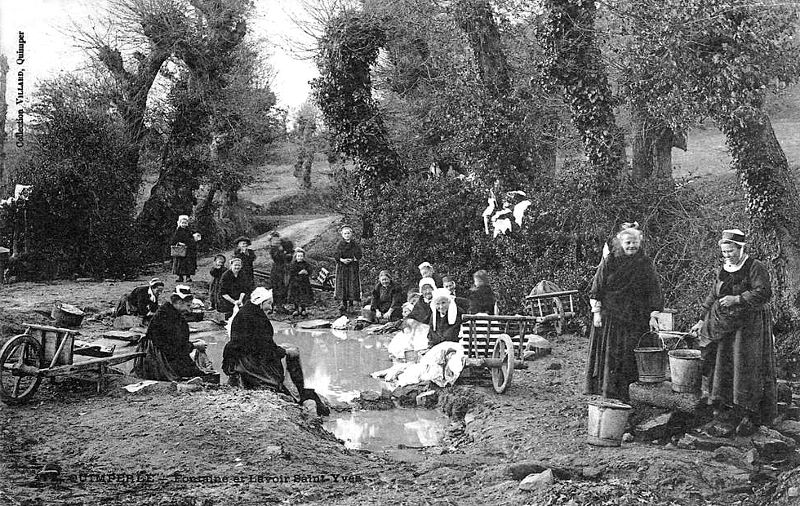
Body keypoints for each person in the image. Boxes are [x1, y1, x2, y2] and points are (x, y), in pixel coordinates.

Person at [689, 229, 777, 435]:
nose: (727, 255)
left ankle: (747, 407)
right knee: (723, 362)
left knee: (744, 363)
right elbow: (714, 293)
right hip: (724, 324)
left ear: (740, 248)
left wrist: (737, 299)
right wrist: (702, 319)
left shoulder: (755, 267)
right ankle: (725, 404)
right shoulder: (725, 267)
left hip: (749, 326)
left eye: (730, 251)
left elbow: (763, 292)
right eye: (724, 252)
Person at [584, 227, 663, 402]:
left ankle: (630, 393)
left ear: (640, 242)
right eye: (628, 243)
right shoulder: (610, 260)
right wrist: (597, 313)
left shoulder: (645, 263)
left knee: (630, 354)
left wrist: (653, 314)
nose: (631, 246)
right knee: (612, 355)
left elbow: (654, 290)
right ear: (621, 243)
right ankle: (609, 392)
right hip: (612, 316)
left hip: (636, 317)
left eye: (635, 242)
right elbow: (597, 287)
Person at [222, 287, 329, 415]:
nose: (271, 308)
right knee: (293, 353)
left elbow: (261, 344)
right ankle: (298, 390)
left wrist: (280, 349)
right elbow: (263, 348)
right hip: (247, 361)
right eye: (269, 303)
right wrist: (283, 352)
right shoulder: (255, 318)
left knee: (290, 349)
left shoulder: (249, 311)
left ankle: (298, 389)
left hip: (245, 354)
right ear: (260, 303)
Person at [133, 286, 213, 381]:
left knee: (198, 363)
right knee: (190, 372)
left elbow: (177, 343)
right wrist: (194, 346)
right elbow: (173, 349)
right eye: (188, 305)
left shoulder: (174, 313)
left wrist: (193, 344)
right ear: (179, 302)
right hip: (158, 356)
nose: (189, 309)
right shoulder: (165, 316)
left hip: (168, 351)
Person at [334, 225, 363, 315]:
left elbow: (359, 255)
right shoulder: (340, 244)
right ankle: (343, 304)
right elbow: (336, 255)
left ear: (351, 234)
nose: (347, 235)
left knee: (352, 284)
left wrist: (354, 259)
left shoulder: (355, 244)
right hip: (342, 267)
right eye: (345, 233)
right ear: (342, 235)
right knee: (343, 284)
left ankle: (351, 305)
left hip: (352, 267)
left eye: (348, 233)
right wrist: (342, 260)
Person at [268, 231, 294, 313]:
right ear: (271, 241)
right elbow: (278, 258)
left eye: (278, 239)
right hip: (277, 270)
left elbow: (289, 256)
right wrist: (284, 253)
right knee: (277, 287)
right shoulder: (273, 249)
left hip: (284, 269)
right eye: (274, 240)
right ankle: (277, 306)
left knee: (284, 287)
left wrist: (287, 253)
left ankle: (280, 305)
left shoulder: (283, 246)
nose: (277, 241)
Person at [171, 215, 201, 282]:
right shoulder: (178, 231)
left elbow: (192, 239)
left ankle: (188, 277)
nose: (184, 224)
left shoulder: (189, 230)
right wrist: (179, 243)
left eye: (185, 223)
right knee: (179, 264)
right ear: (180, 223)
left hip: (188, 250)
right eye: (182, 223)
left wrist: (194, 238)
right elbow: (174, 240)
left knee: (188, 263)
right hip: (180, 250)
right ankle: (180, 277)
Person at [288, 248, 314, 317]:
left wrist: (307, 272)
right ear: (296, 257)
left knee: (303, 296)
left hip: (304, 283)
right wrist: (299, 273)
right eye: (298, 256)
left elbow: (310, 270)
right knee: (296, 296)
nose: (300, 258)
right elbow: (291, 273)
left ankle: (303, 309)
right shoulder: (293, 264)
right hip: (295, 283)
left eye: (301, 256)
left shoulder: (306, 264)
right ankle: (296, 309)